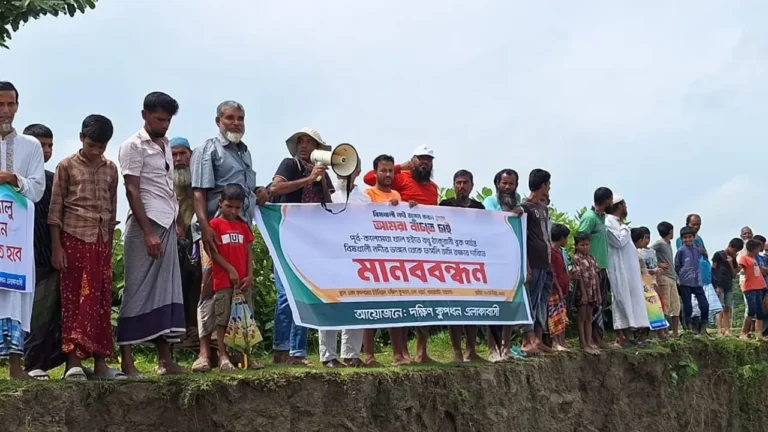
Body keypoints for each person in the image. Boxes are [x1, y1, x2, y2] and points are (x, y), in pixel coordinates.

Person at [189, 101, 266, 372]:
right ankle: (204, 353)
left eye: (240, 118)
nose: (236, 123)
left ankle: (236, 354)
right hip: (214, 231)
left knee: (240, 295)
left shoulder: (244, 152)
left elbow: (243, 191)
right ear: (218, 121)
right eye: (230, 118)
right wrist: (205, 226)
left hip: (240, 231)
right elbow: (198, 191)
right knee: (210, 293)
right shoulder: (208, 150)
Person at [117, 92, 186, 376]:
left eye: (167, 120)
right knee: (136, 289)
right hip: (145, 224)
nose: (164, 124)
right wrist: (148, 233)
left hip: (167, 221)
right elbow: (132, 189)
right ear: (145, 115)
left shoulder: (165, 144)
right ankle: (127, 360)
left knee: (165, 290)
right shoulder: (132, 146)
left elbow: (168, 187)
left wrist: (178, 219)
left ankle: (164, 359)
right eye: (159, 119)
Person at [49, 114, 122, 381]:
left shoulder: (111, 169)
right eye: (92, 145)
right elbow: (55, 211)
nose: (96, 151)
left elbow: (112, 211)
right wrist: (57, 248)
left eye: (101, 146)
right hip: (74, 238)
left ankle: (101, 364)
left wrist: (109, 248)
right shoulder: (66, 166)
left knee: (101, 302)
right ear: (81, 138)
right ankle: (73, 363)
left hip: (101, 243)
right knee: (75, 302)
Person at [362, 145, 438, 363]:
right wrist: (401, 166)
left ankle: (421, 352)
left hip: (423, 249)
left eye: (428, 159)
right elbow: (370, 178)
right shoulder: (401, 178)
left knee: (420, 301)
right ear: (413, 160)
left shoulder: (433, 188)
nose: (424, 162)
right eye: (420, 158)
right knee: (385, 302)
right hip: (392, 249)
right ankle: (389, 352)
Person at [270, 127, 335, 366]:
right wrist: (308, 180)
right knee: (286, 294)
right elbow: (275, 188)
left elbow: (328, 205)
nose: (304, 146)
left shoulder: (320, 173)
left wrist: (322, 180)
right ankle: (281, 349)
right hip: (285, 238)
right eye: (301, 142)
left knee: (303, 294)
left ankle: (297, 352)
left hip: (308, 243)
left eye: (309, 142)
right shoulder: (290, 165)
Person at [0, 81, 45, 380]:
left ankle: (16, 368)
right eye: (0, 104)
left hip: (15, 237)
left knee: (15, 296)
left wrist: (13, 178)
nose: (5, 111)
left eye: (11, 104)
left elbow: (38, 189)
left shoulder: (31, 145)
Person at [22, 124, 66, 380]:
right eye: (41, 146)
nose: (47, 151)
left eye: (50, 145)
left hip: (48, 255)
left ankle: (40, 362)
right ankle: (29, 363)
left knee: (47, 313)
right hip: (20, 257)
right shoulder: (13, 180)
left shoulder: (53, 180)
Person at [318, 158, 367, 368]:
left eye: (351, 167)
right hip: (330, 255)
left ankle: (351, 353)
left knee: (355, 303)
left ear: (358, 172)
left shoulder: (364, 199)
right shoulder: (328, 193)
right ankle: (328, 355)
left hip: (355, 258)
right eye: (341, 167)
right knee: (329, 303)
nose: (346, 172)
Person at [207, 184, 261, 371]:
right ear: (220, 203)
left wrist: (249, 275)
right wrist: (230, 269)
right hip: (223, 282)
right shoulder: (214, 225)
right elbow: (213, 253)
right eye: (229, 206)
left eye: (237, 207)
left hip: (243, 283)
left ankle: (246, 357)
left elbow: (248, 252)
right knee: (223, 320)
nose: (233, 211)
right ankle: (223, 357)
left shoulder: (243, 226)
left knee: (245, 320)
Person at [364, 155, 412, 365]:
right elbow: (366, 219)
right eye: (383, 170)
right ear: (375, 172)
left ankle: (398, 354)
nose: (388, 174)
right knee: (372, 307)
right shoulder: (368, 194)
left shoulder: (397, 194)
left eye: (391, 170)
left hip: (395, 257)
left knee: (397, 306)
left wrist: (409, 208)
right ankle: (369, 355)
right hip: (374, 257)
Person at [439, 169, 486, 363]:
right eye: (458, 183)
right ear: (453, 185)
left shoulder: (479, 208)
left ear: (472, 186)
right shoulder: (444, 205)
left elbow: (486, 231)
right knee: (454, 309)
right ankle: (457, 351)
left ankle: (471, 351)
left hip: (473, 264)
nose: (461, 186)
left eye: (465, 183)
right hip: (450, 264)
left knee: (472, 308)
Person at [482, 169, 525, 361]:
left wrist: (520, 210)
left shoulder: (518, 202)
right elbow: (491, 219)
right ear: (497, 184)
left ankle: (506, 347)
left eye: (511, 183)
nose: (507, 187)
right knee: (492, 304)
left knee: (510, 304)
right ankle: (492, 348)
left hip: (512, 259)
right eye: (504, 183)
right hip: (492, 258)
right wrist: (511, 214)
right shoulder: (490, 201)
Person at [605, 195, 649, 347]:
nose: (626, 207)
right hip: (619, 268)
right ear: (619, 206)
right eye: (625, 204)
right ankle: (620, 336)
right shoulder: (608, 221)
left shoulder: (618, 222)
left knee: (630, 300)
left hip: (629, 270)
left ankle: (628, 335)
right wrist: (624, 228)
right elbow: (618, 241)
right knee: (620, 299)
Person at [170, 136, 201, 348]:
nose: (179, 159)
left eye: (183, 154)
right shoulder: (163, 180)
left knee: (197, 281)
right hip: (172, 235)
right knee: (176, 283)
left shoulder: (198, 178)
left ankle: (194, 330)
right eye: (174, 154)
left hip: (196, 233)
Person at [520, 169, 554, 355]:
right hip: (533, 261)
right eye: (548, 184)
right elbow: (522, 237)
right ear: (543, 185)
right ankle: (527, 340)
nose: (549, 188)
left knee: (541, 301)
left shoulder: (543, 208)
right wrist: (526, 264)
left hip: (545, 261)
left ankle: (538, 339)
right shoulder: (525, 207)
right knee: (531, 300)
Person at [577, 187, 612, 347]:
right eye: (610, 200)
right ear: (606, 200)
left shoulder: (602, 217)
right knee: (590, 305)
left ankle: (598, 337)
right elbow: (580, 238)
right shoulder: (590, 217)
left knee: (599, 303)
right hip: (589, 269)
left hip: (601, 266)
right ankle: (590, 339)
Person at [632, 227, 666, 340]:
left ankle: (657, 333)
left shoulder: (639, 253)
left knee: (655, 307)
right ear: (640, 239)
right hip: (641, 285)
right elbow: (642, 272)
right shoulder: (635, 254)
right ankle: (645, 335)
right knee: (649, 308)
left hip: (647, 284)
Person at [571, 233, 601, 354]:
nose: (585, 247)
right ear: (576, 245)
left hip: (592, 292)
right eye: (582, 245)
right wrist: (583, 293)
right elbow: (578, 277)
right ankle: (583, 344)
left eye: (587, 244)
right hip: (582, 292)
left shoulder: (592, 258)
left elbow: (596, 275)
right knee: (582, 318)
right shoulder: (576, 259)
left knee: (589, 318)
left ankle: (589, 343)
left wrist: (598, 292)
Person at [675, 226, 708, 336]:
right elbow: (677, 266)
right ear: (682, 239)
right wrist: (680, 278)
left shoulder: (697, 250)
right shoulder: (680, 251)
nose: (688, 239)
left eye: (690, 237)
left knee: (704, 305)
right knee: (687, 306)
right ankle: (689, 329)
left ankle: (703, 328)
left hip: (697, 282)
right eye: (685, 237)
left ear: (694, 237)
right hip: (685, 283)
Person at [651, 222, 681, 337]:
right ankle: (663, 332)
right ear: (670, 232)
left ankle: (675, 332)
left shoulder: (668, 243)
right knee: (665, 305)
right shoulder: (660, 243)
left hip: (672, 277)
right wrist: (658, 264)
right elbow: (648, 252)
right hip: (663, 277)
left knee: (675, 305)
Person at [711, 238, 743, 336]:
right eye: (734, 250)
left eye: (737, 251)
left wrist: (731, 263)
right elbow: (713, 269)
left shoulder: (733, 258)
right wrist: (715, 285)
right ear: (729, 246)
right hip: (719, 284)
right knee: (719, 308)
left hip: (728, 284)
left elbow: (734, 274)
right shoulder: (718, 255)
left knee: (727, 308)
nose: (735, 252)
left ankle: (727, 330)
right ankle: (719, 330)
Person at [738, 239, 767, 341]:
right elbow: (739, 268)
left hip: (759, 287)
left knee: (760, 311)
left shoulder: (753, 259)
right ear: (755, 249)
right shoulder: (744, 258)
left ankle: (759, 334)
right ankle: (743, 332)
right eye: (758, 249)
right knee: (751, 310)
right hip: (750, 288)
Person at [549, 223, 571, 352]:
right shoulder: (552, 252)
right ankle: (555, 342)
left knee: (562, 315)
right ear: (562, 238)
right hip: (555, 290)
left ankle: (562, 340)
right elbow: (553, 273)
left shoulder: (559, 252)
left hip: (562, 289)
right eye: (566, 238)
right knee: (554, 316)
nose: (567, 241)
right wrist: (558, 288)